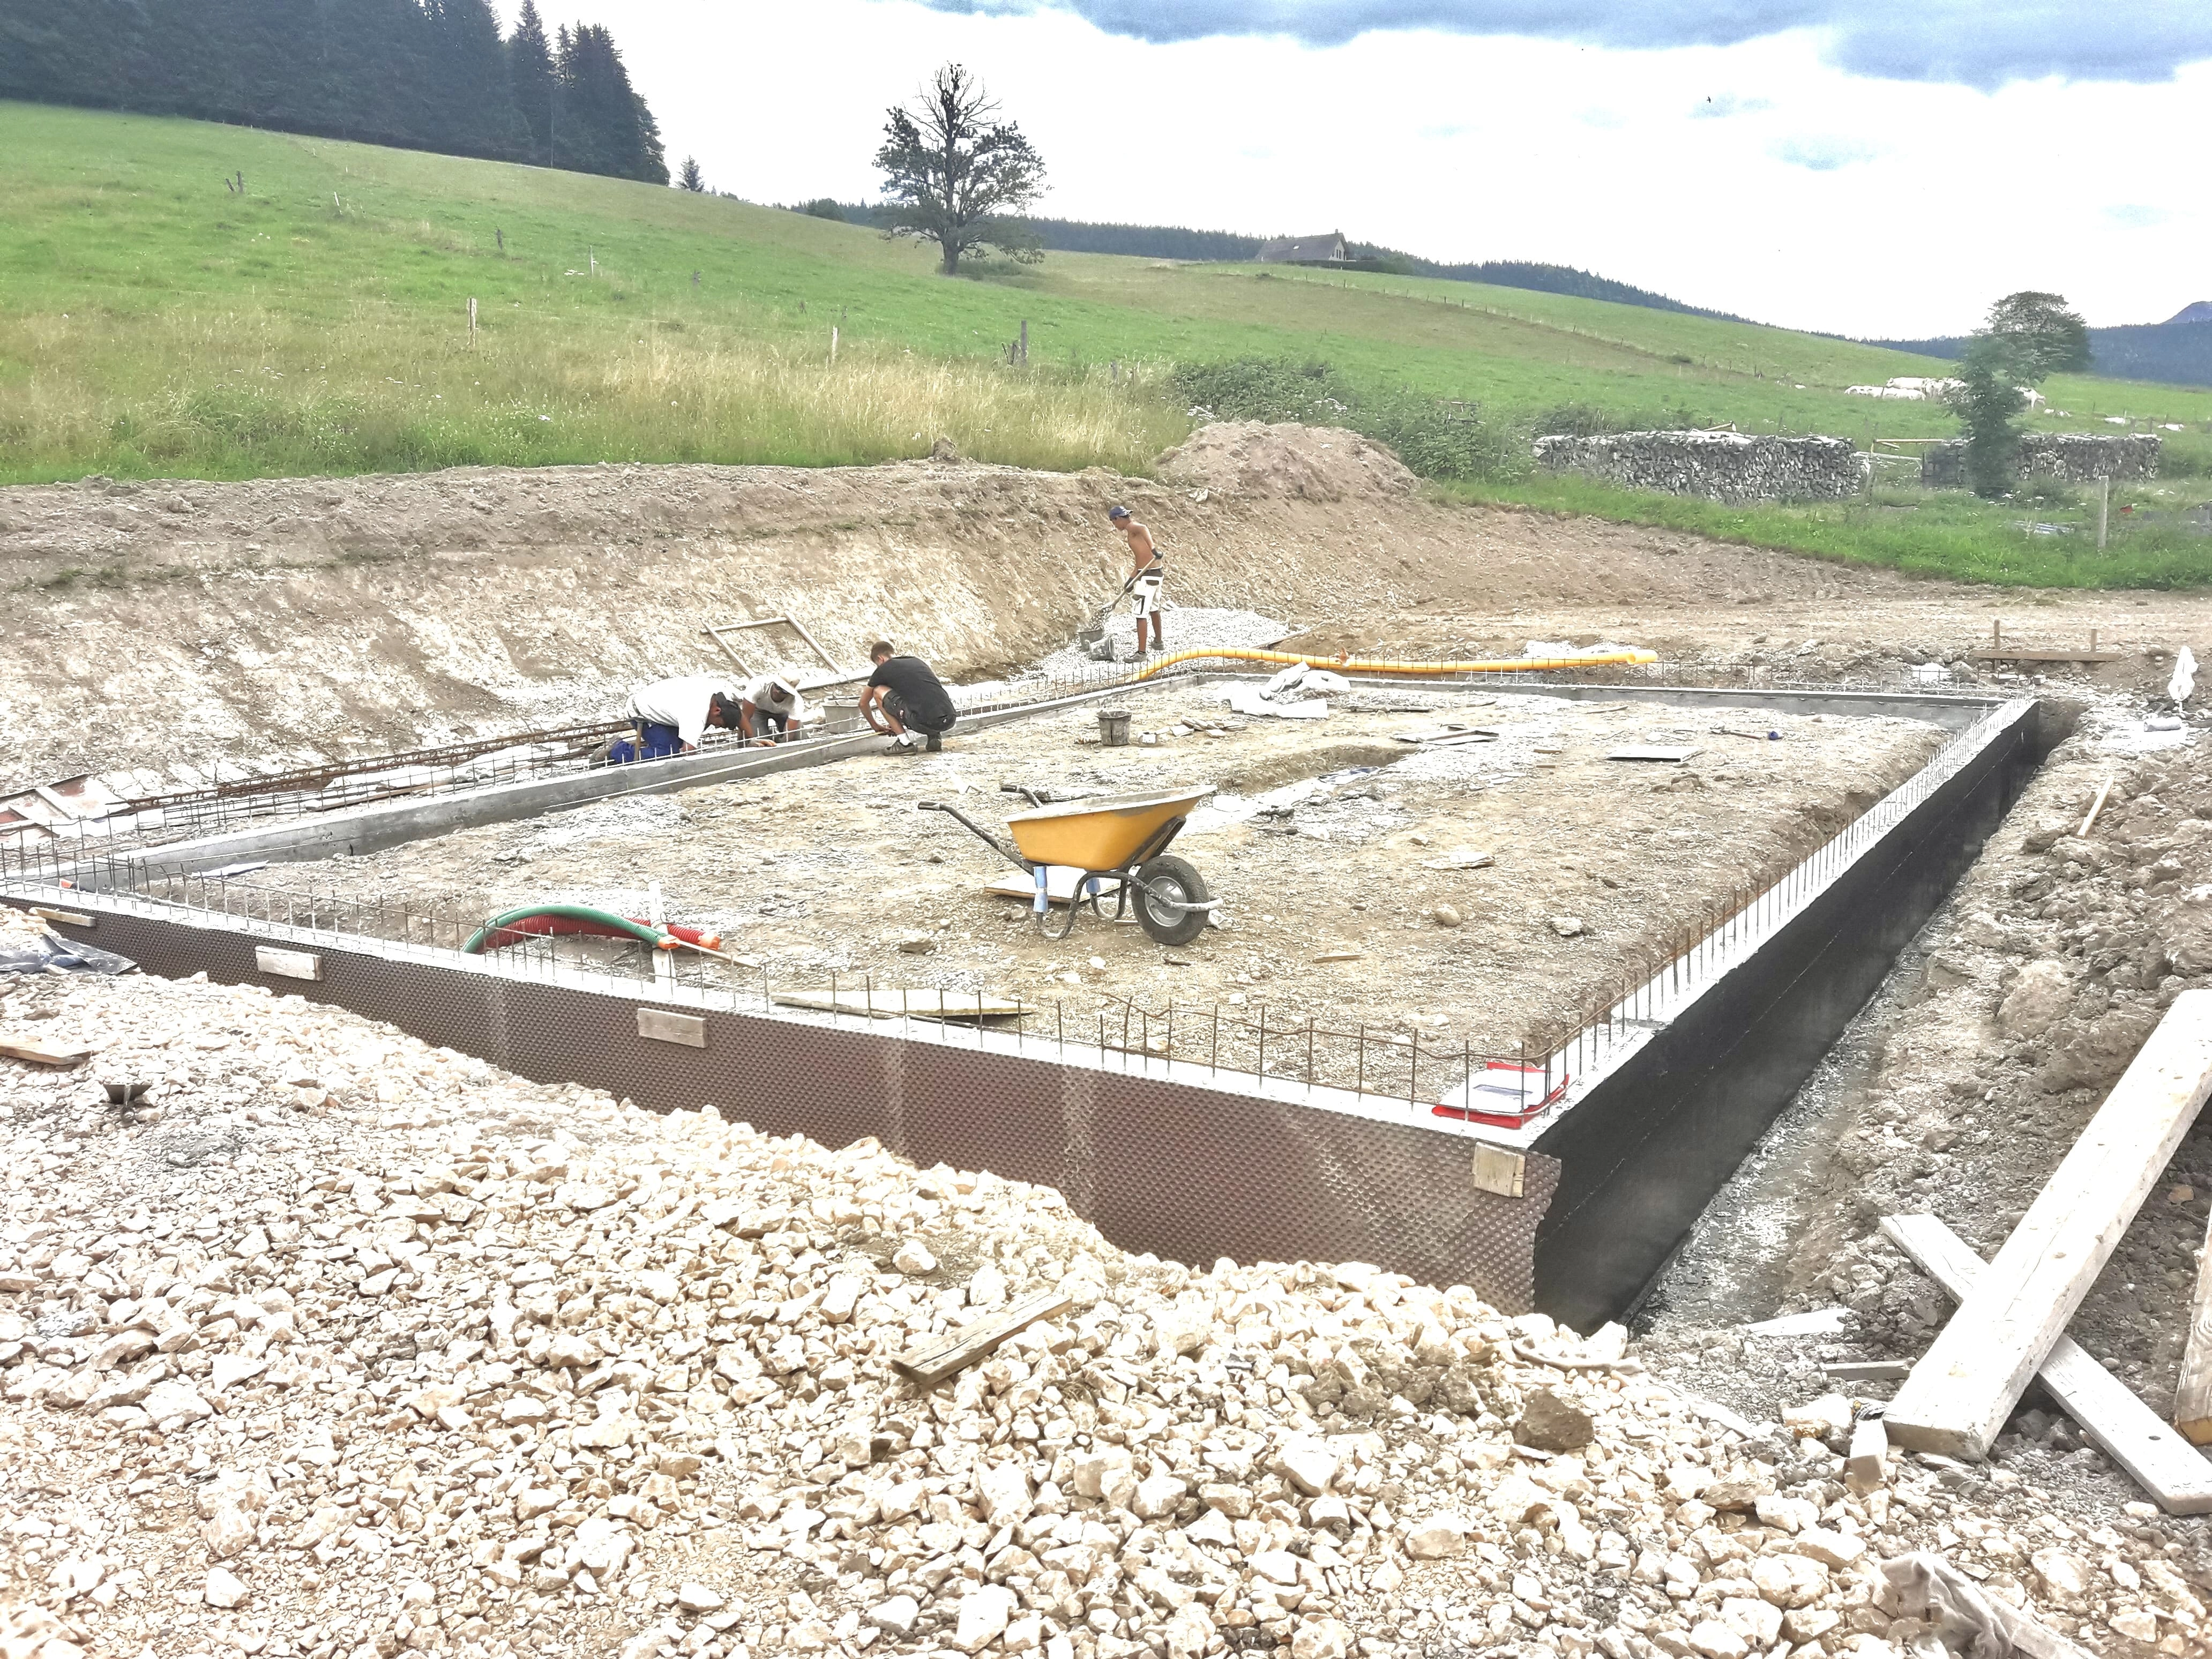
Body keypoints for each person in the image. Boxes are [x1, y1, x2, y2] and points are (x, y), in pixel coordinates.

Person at [609, 675, 743, 763]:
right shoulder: (697, 713)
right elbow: (687, 754)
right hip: (643, 712)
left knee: (676, 746)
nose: (717, 727)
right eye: (720, 724)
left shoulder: (717, 697)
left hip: (658, 704)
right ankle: (617, 750)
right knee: (667, 755)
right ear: (717, 711)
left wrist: (750, 739)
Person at [859, 642, 956, 753]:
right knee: (921, 694)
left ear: (880, 659)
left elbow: (863, 703)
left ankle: (904, 743)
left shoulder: (883, 669)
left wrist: (876, 726)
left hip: (922, 722)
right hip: (950, 718)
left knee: (878, 691)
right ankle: (934, 737)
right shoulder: (916, 661)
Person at [1107, 505, 1165, 657]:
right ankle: (1158, 643)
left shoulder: (1132, 528)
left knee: (1140, 614)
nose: (1115, 526)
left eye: (1114, 522)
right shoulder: (1132, 533)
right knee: (1154, 610)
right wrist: (1131, 580)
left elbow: (1144, 528)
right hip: (1155, 574)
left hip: (1147, 579)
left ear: (1118, 519)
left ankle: (1141, 653)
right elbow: (1140, 562)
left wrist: (1153, 549)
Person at [738, 673, 810, 745]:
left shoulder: (796, 702)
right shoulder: (758, 685)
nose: (778, 692)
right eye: (777, 687)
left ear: (789, 693)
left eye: (784, 691)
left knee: (800, 738)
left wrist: (784, 746)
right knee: (761, 741)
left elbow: (790, 733)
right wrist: (745, 742)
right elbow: (745, 718)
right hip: (758, 711)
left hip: (783, 713)